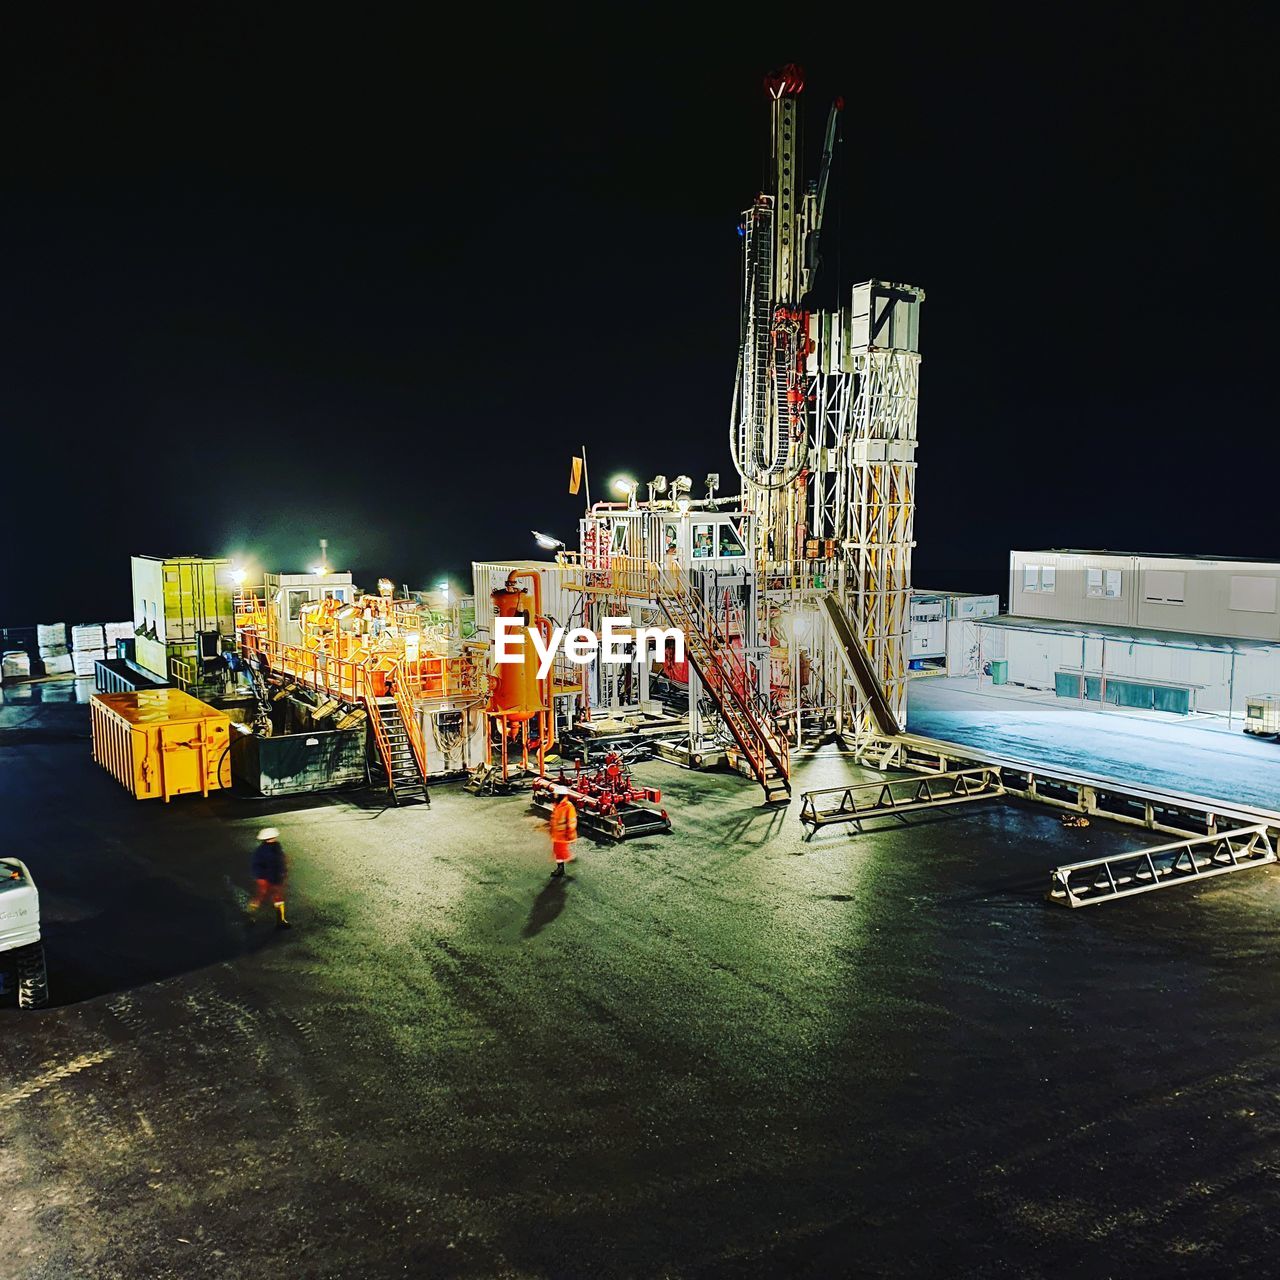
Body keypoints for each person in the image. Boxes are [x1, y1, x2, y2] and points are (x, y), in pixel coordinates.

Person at [247, 828, 291, 929]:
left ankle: (280, 920)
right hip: (266, 877)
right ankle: (251, 916)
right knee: (262, 896)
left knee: (273, 897)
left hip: (270, 876)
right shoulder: (267, 851)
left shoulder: (273, 848)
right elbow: (272, 864)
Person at [549, 786, 577, 878]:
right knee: (558, 851)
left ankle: (561, 868)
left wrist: (570, 834)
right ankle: (564, 864)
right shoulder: (557, 805)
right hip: (557, 834)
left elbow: (572, 821)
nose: (555, 796)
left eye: (557, 794)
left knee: (560, 852)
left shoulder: (568, 806)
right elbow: (554, 818)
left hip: (563, 835)